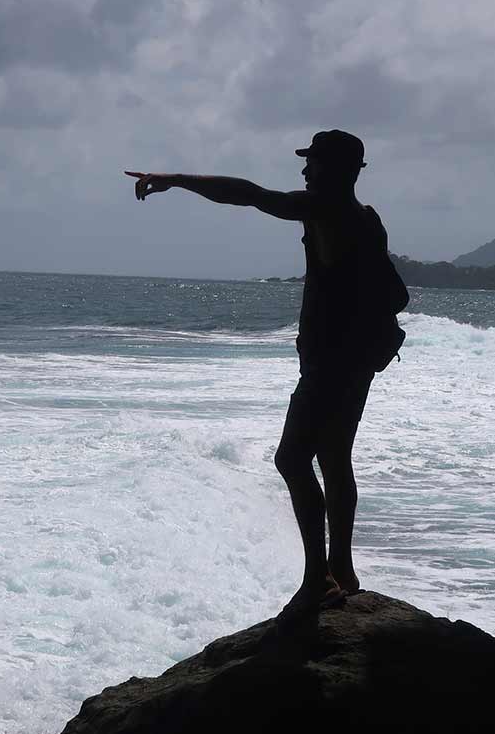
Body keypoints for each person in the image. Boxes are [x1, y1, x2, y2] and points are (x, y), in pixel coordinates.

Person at [125, 129, 397, 623]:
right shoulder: (367, 219)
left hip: (332, 361)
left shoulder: (325, 210)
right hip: (358, 359)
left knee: (293, 458)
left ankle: (319, 579)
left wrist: (177, 180)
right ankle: (343, 570)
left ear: (335, 169)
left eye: (312, 163)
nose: (304, 170)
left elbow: (249, 195)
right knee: (334, 457)